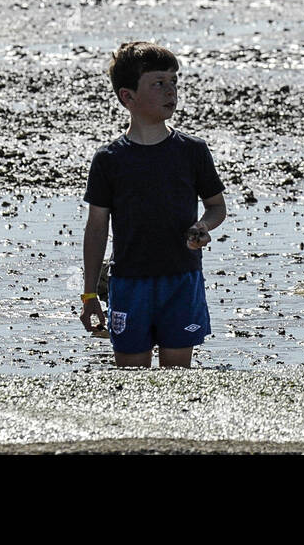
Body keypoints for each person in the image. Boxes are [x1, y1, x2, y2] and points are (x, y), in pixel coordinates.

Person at [79, 42, 227, 368]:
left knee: (177, 376)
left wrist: (202, 226)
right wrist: (90, 296)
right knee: (132, 375)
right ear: (127, 97)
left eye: (174, 81)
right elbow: (97, 228)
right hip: (130, 282)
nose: (170, 90)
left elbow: (217, 207)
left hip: (182, 279)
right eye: (158, 83)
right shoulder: (109, 160)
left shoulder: (193, 151)